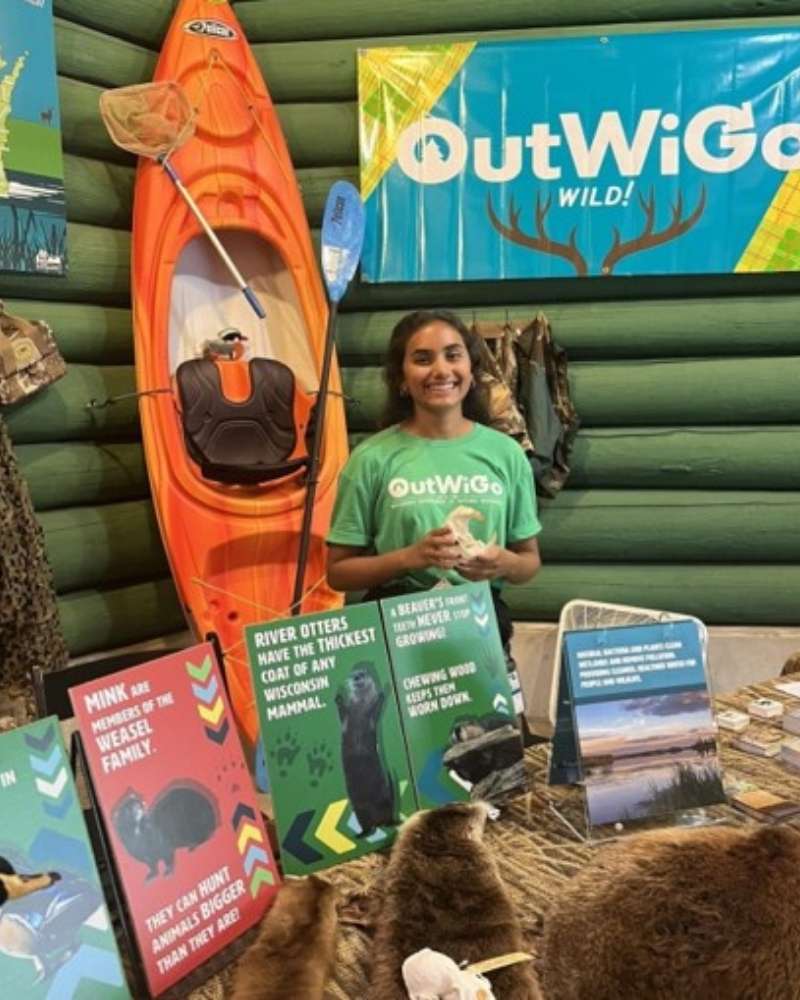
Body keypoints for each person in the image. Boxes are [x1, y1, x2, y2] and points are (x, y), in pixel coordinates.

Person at [326, 309, 542, 734]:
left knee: (496, 758)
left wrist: (500, 563)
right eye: (423, 359)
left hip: (480, 624)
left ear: (471, 369)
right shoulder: (371, 458)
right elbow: (337, 572)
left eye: (452, 355)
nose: (441, 369)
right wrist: (410, 556)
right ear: (401, 378)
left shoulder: (506, 454)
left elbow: (529, 562)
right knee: (411, 756)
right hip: (394, 625)